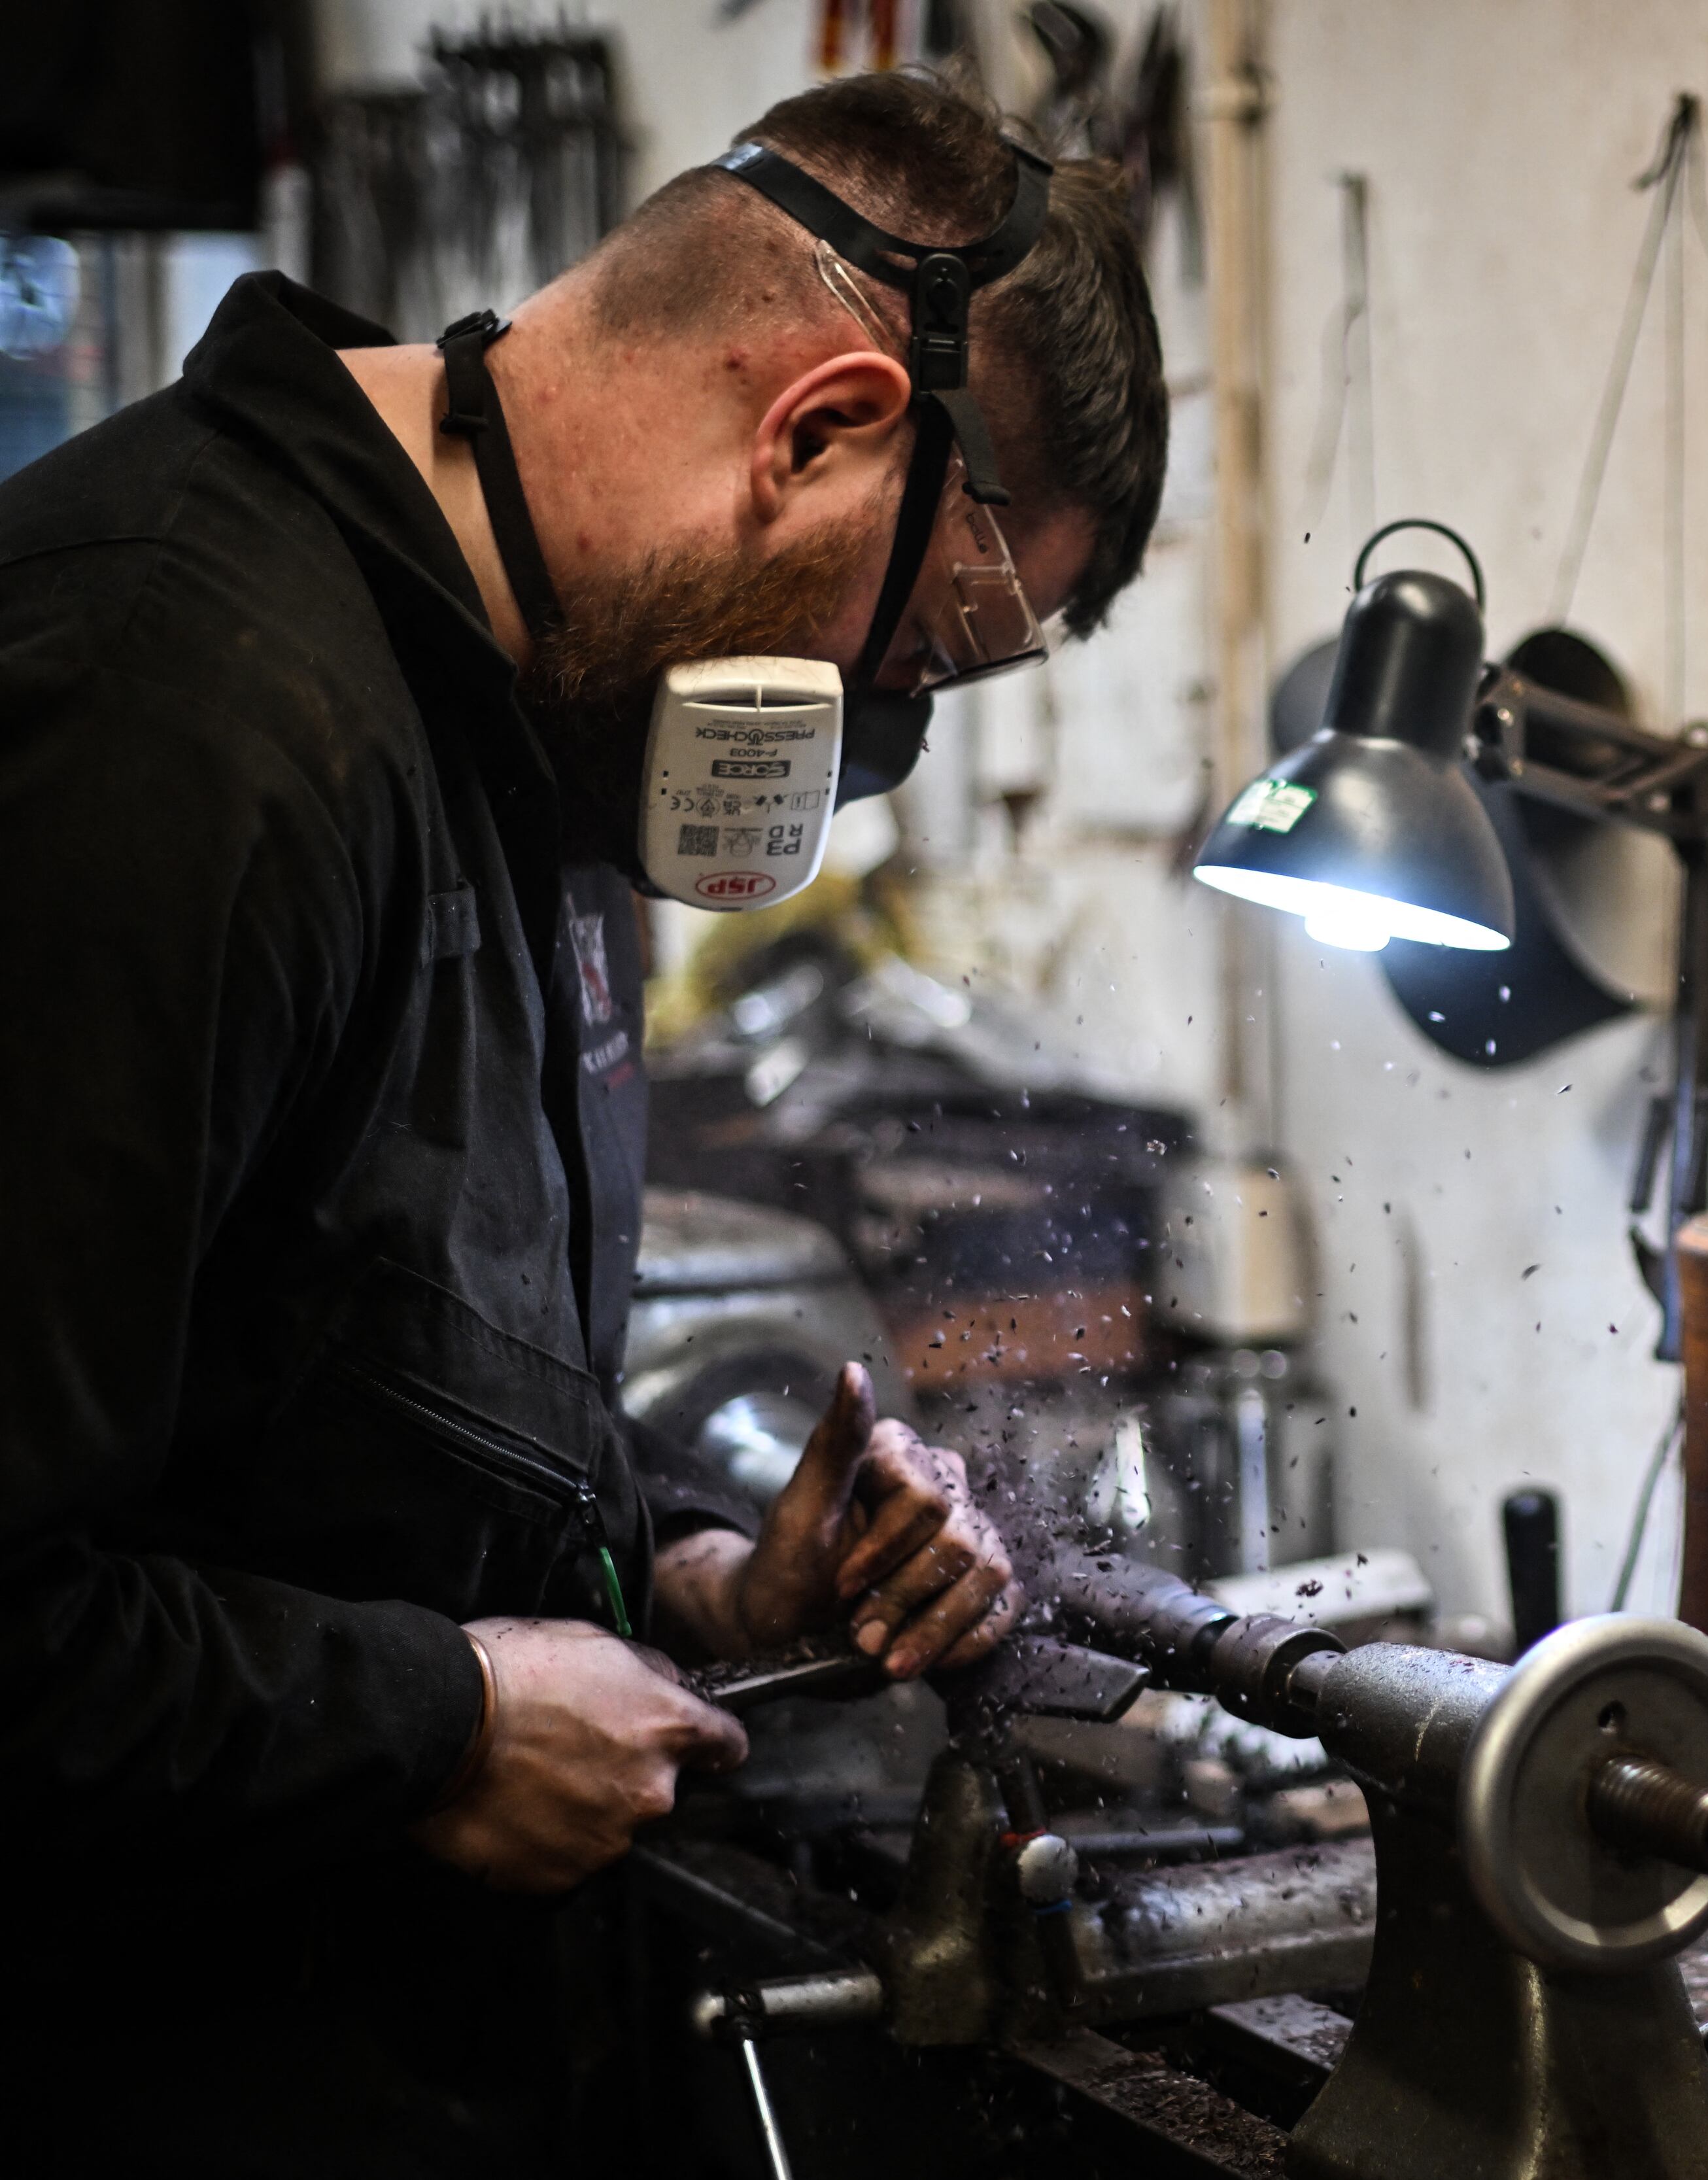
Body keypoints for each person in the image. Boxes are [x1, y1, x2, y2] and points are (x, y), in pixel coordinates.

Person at [0, 69, 1167, 2168]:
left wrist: (702, 1580)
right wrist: (435, 1724)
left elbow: (337, 1410)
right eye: (908, 660)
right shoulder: (170, 719)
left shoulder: (531, 721)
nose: (867, 743)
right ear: (818, 431)